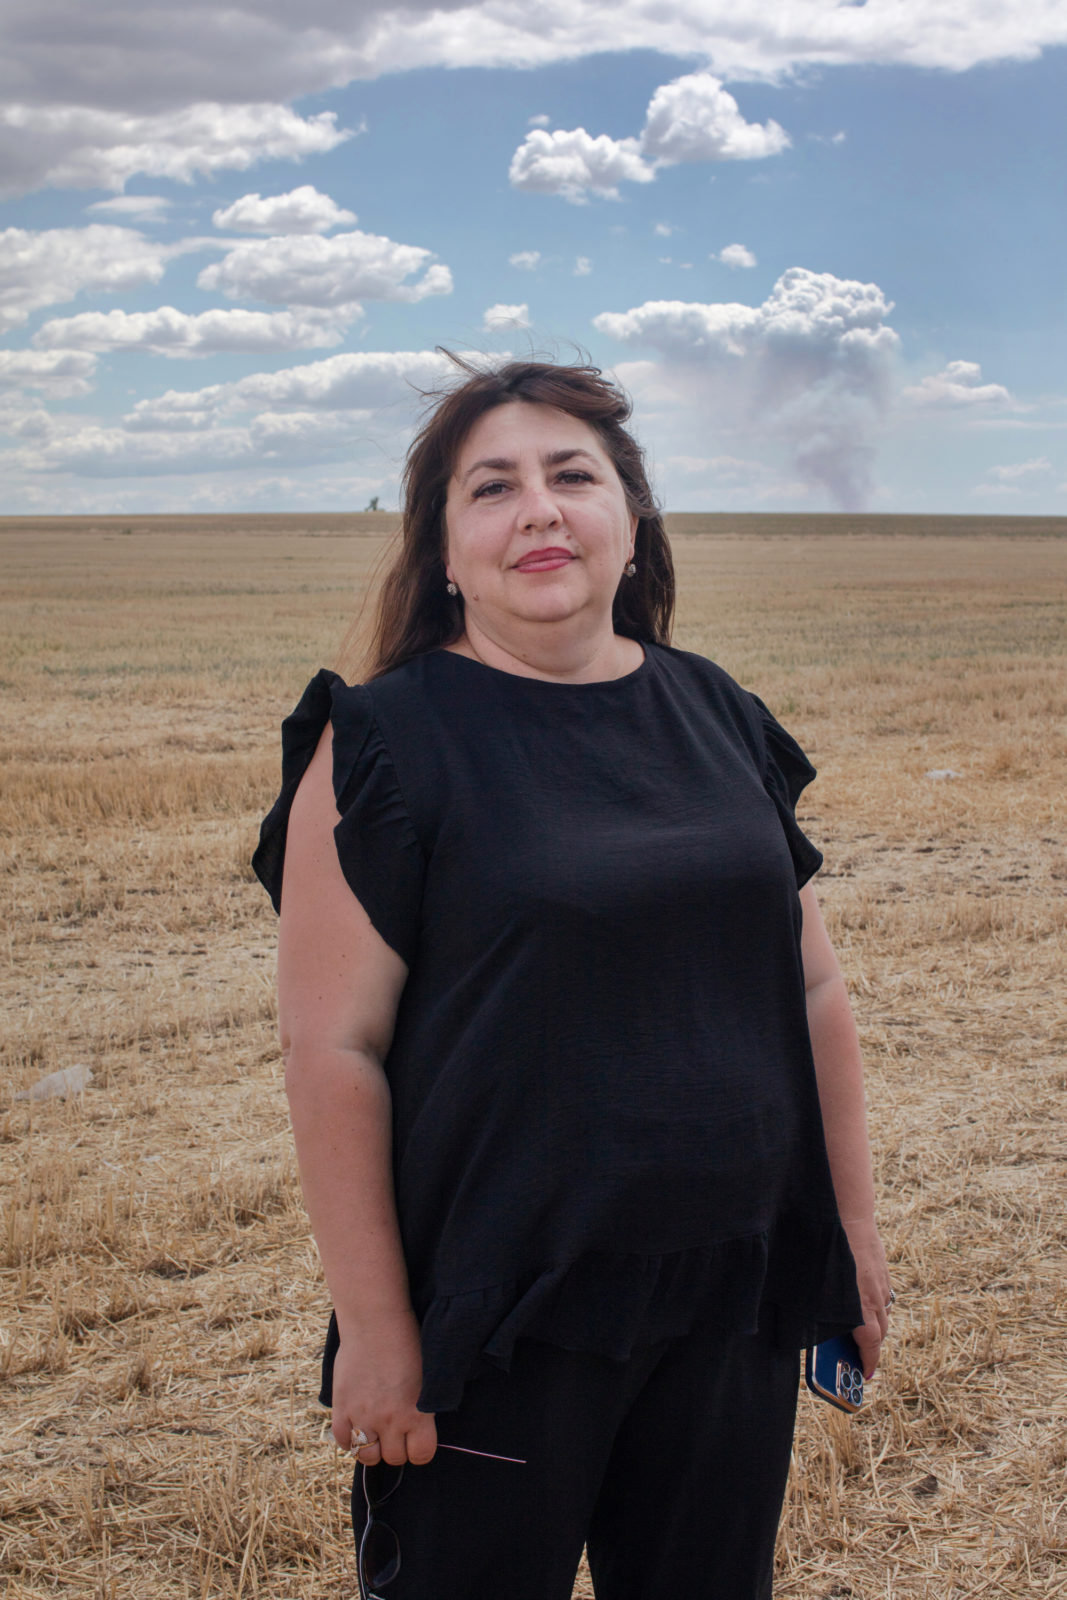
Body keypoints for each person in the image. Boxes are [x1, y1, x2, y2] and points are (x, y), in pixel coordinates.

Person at [253, 357, 892, 1600]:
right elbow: (333, 1053)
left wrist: (849, 1230)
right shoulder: (384, 741)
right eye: (491, 487)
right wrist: (380, 1330)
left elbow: (812, 992)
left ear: (630, 515)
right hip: (496, 1320)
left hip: (727, 1291)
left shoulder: (714, 712)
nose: (538, 509)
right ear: (442, 549)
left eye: (571, 475)